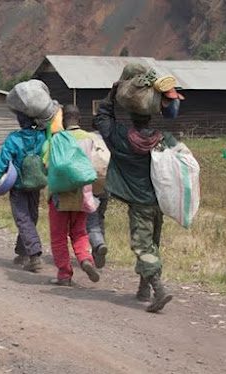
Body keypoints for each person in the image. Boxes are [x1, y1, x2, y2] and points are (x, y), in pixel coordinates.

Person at [93, 81, 178, 312]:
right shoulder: (162, 139)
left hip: (139, 202)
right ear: (151, 116)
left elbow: (102, 119)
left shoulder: (121, 139)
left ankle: (158, 289)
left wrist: (111, 94)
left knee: (143, 247)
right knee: (152, 244)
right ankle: (143, 289)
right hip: (159, 201)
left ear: (131, 116)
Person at [0, 112, 46, 272]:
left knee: (23, 219)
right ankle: (22, 253)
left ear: (20, 121)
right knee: (31, 217)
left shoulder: (14, 139)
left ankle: (34, 256)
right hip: (36, 184)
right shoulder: (42, 136)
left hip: (18, 186)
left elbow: (2, 162)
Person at [47, 105, 100, 286]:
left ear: (62, 121)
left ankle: (64, 274)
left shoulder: (56, 140)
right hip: (83, 193)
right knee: (79, 232)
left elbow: (46, 164)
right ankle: (85, 259)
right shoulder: (89, 138)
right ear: (80, 120)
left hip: (60, 196)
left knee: (59, 236)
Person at [87, 192, 109, 268]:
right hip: (105, 189)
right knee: (100, 218)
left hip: (91, 191)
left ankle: (98, 244)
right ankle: (99, 249)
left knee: (91, 223)